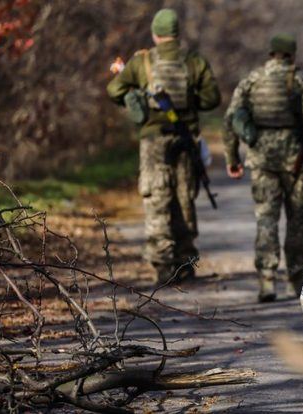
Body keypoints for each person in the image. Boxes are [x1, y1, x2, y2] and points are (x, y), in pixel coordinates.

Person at [107, 8, 221, 283]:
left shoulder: (141, 63)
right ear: (177, 34)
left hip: (153, 142)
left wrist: (135, 100)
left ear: (156, 35)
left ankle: (162, 267)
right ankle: (186, 263)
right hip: (186, 141)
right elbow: (211, 99)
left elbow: (114, 90)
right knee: (184, 200)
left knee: (157, 200)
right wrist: (190, 100)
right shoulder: (194, 61)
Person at [223, 33, 303, 302]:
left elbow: (231, 119)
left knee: (266, 218)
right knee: (296, 221)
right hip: (295, 161)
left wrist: (232, 158)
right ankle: (296, 280)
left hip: (261, 160)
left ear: (271, 53)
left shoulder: (251, 79)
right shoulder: (302, 80)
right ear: (292, 54)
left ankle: (267, 281)